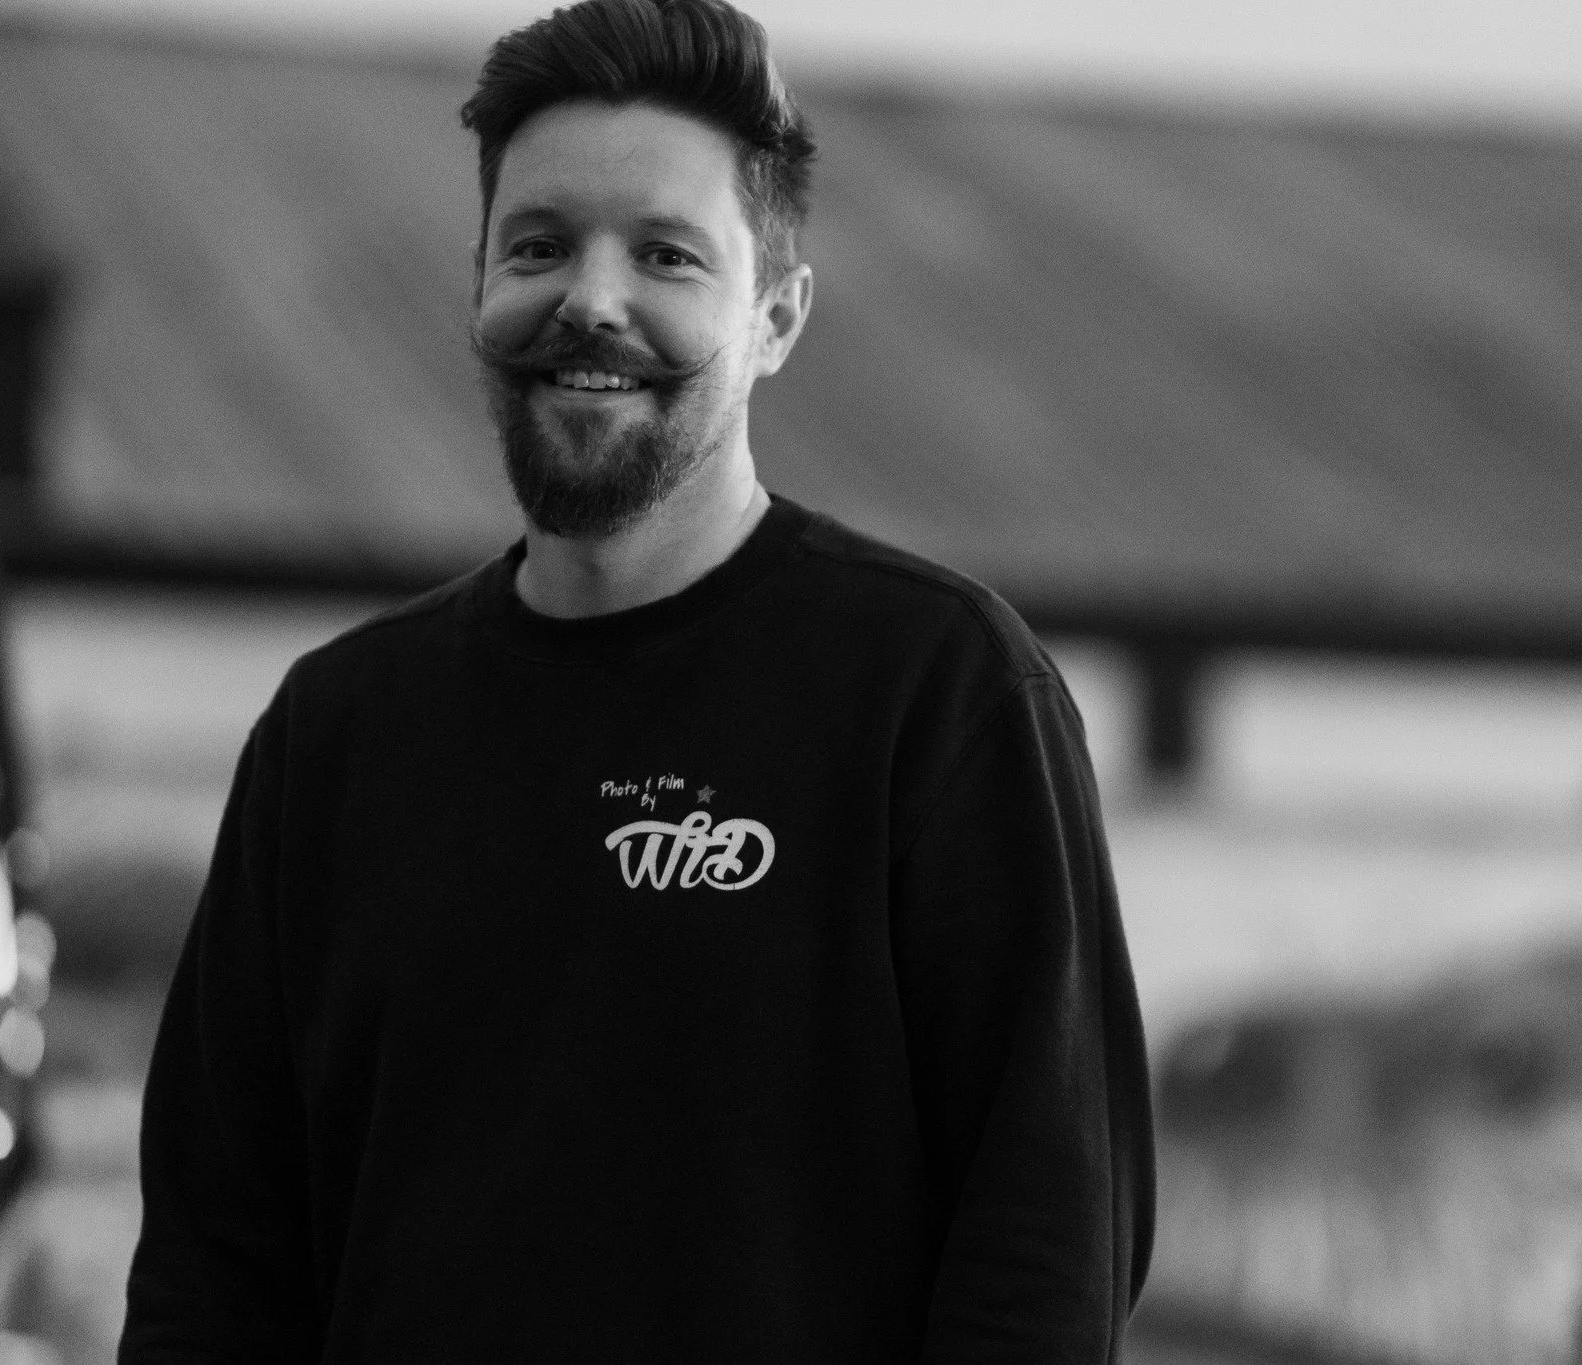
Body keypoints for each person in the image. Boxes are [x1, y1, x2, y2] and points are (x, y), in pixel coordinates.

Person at [118, 1, 1155, 1358]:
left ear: (775, 316)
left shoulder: (940, 697)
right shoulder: (337, 735)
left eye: (665, 255)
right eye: (539, 245)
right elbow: (213, 1268)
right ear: (480, 287)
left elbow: (1046, 1254)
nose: (589, 300)